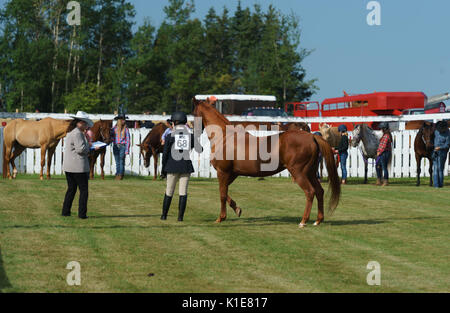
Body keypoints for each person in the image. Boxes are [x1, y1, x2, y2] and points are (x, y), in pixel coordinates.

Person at [160, 112, 201, 221]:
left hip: (172, 167)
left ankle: (164, 216)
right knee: (183, 192)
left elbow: (165, 155)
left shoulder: (169, 136)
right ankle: (180, 217)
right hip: (185, 167)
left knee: (169, 191)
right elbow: (200, 149)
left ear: (174, 123)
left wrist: (163, 170)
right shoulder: (190, 136)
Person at [62, 111, 99, 219]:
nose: (87, 126)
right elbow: (81, 149)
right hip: (78, 167)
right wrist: (91, 147)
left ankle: (66, 211)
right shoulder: (77, 133)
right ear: (81, 123)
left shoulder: (71, 132)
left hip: (69, 166)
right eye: (85, 124)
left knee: (71, 189)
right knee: (83, 191)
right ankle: (82, 214)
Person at [111, 113, 130, 180]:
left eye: (124, 120)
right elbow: (112, 137)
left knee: (121, 161)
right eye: (122, 120)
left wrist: (127, 150)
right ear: (119, 120)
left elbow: (128, 140)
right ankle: (117, 173)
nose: (124, 121)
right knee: (117, 161)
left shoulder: (126, 129)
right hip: (116, 146)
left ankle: (120, 174)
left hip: (122, 146)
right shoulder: (114, 129)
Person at [433, 120, 450, 188]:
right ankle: (436, 185)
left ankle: (440, 184)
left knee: (440, 168)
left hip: (442, 152)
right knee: (435, 168)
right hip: (435, 151)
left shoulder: (448, 133)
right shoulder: (436, 131)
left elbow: (447, 145)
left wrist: (440, 147)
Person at [376, 122, 393, 186]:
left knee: (384, 167)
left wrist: (379, 152)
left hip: (384, 153)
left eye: (382, 129)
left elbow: (384, 146)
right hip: (382, 153)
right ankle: (379, 180)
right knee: (378, 166)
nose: (381, 130)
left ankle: (385, 181)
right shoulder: (385, 135)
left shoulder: (386, 136)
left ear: (384, 129)